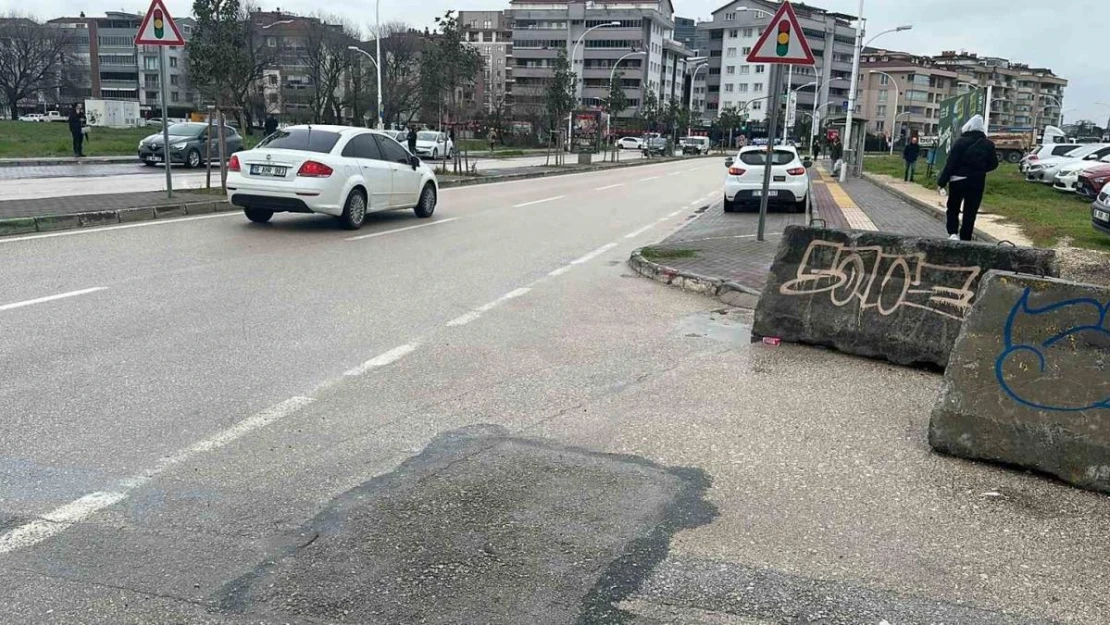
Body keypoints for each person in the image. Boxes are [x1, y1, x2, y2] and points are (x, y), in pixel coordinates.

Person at [938, 114, 998, 241]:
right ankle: (966, 238)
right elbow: (994, 164)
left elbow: (951, 164)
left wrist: (942, 182)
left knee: (953, 207)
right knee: (970, 211)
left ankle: (953, 233)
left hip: (957, 180)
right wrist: (980, 170)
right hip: (977, 182)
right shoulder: (988, 144)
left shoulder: (960, 143)